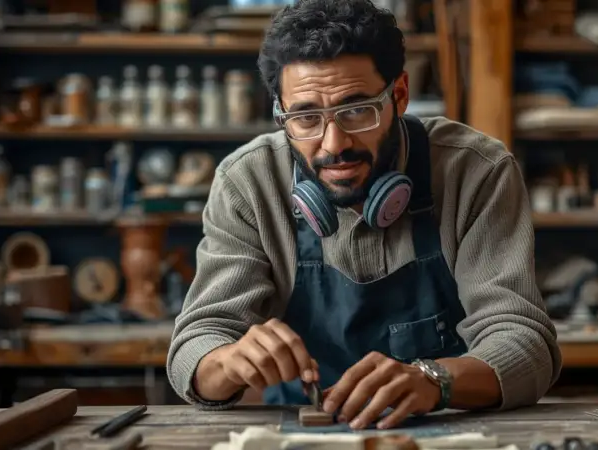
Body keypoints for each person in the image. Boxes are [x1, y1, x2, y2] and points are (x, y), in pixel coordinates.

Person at [167, 0, 561, 430]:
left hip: (445, 431)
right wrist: (227, 361)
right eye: (305, 117)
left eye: (357, 109)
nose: (334, 143)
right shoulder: (248, 182)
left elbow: (526, 345)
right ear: (282, 115)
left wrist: (435, 379)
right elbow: (193, 348)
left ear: (400, 95)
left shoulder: (475, 171)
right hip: (299, 435)